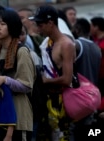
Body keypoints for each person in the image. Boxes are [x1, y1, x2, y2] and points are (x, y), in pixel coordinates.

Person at [30, 5, 76, 141]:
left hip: (61, 102)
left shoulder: (66, 44)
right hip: (48, 100)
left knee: (62, 137)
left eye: (40, 24)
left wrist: (44, 80)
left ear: (50, 23)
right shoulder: (47, 43)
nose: (38, 28)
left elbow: (67, 79)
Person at [0, 9, 36, 141]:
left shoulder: (21, 51)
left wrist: (5, 79)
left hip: (19, 115)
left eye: (2, 24)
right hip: (1, 114)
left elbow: (27, 85)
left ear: (12, 26)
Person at [72, 18, 101, 86]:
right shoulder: (97, 47)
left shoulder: (76, 45)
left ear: (77, 30)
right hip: (94, 90)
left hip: (80, 90)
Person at [90, 17, 104, 97]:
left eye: (91, 26)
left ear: (96, 27)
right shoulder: (94, 39)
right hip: (97, 74)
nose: (90, 28)